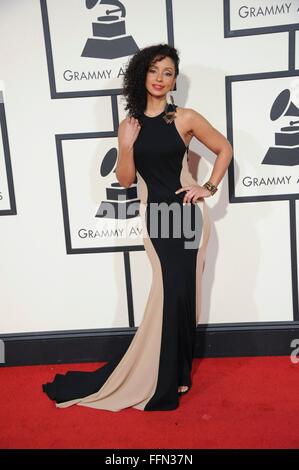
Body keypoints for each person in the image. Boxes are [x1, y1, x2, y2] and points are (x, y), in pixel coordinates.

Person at [43, 43, 233, 411]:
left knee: (183, 296)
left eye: (168, 73)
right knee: (167, 293)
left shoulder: (185, 118)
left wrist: (207, 186)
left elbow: (224, 148)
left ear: (175, 81)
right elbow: (127, 180)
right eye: (154, 70)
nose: (160, 78)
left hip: (187, 216)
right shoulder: (128, 125)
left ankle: (177, 376)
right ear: (141, 75)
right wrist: (126, 145)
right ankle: (161, 376)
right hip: (158, 218)